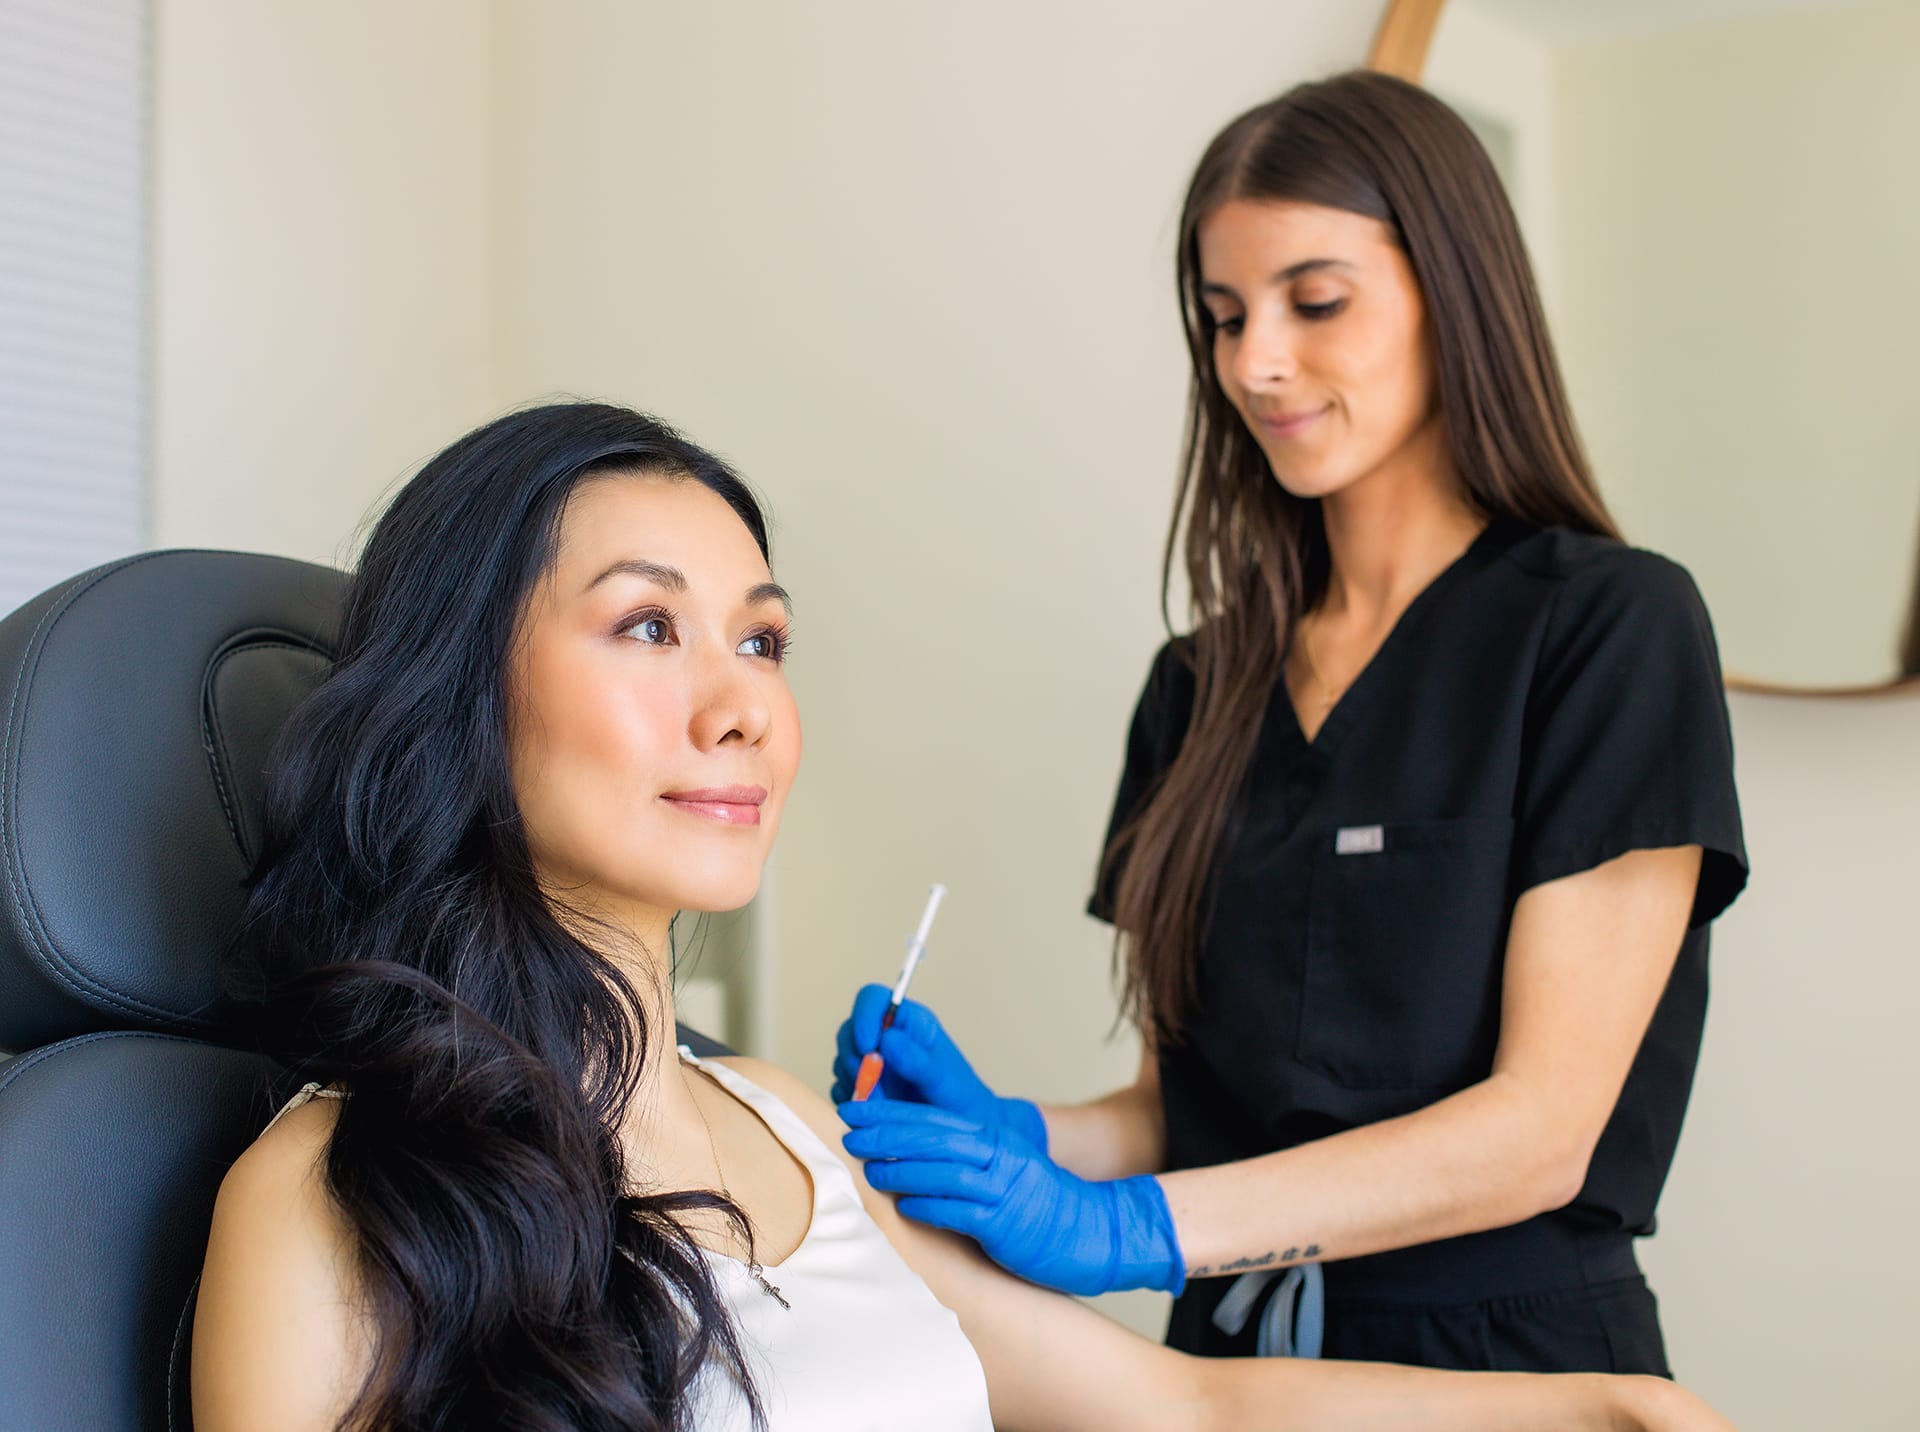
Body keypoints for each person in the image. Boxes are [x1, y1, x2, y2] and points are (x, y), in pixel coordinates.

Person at [190, 402, 1733, 1430]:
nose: (741, 705)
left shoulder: (794, 1126)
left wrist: (1611, 1409)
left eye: (768, 639)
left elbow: (1182, 1411)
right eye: (650, 625)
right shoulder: (340, 1197)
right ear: (462, 698)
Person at [832, 70, 1748, 1376]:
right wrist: (1011, 1140)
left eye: (1315, 301)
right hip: (1223, 1370)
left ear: (1453, 291)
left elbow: (1542, 1131)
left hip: (1507, 1370)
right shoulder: (1196, 692)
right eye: (1223, 316)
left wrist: (1124, 1230)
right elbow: (1181, 1113)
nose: (1255, 360)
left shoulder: (1610, 630)